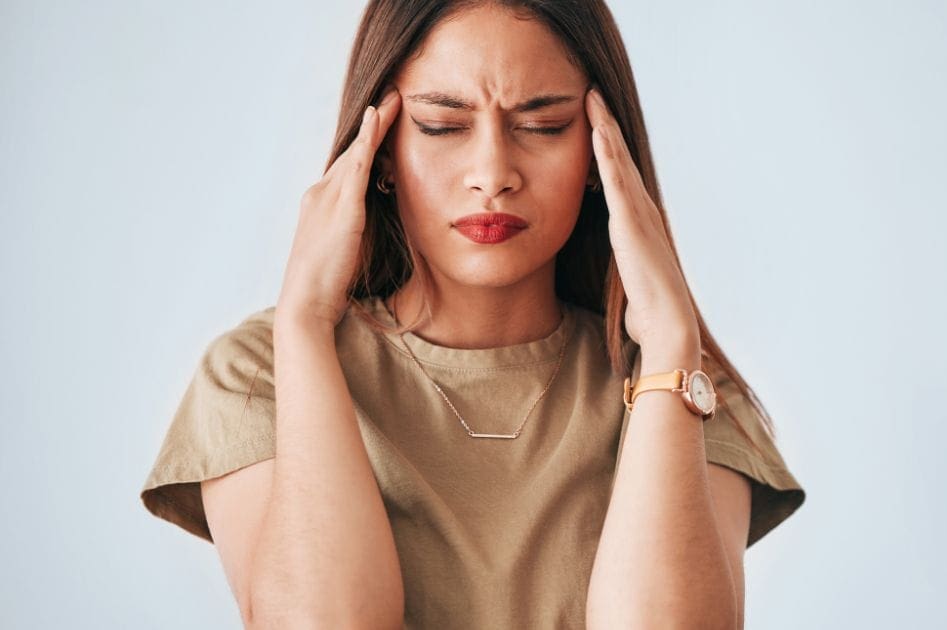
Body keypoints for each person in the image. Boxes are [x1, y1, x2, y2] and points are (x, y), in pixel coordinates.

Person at [139, 1, 806, 628]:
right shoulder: (260, 373)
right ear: (381, 154)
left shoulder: (689, 387)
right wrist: (305, 322)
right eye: (443, 126)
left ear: (603, 154)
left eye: (542, 125)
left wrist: (666, 343)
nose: (492, 173)